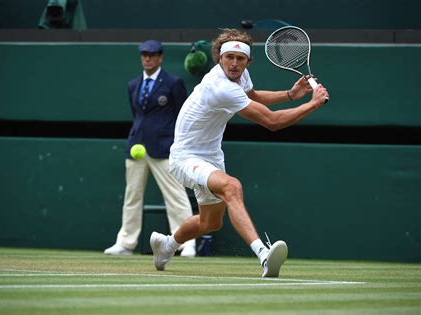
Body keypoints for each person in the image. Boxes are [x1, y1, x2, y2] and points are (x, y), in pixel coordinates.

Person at [149, 29, 329, 277]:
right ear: (219, 58)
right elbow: (272, 122)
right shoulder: (220, 87)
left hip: (211, 156)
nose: (234, 64)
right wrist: (312, 104)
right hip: (185, 157)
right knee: (232, 187)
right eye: (229, 57)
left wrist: (290, 95)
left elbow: (253, 96)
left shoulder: (239, 78)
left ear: (247, 61)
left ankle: (166, 246)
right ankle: (264, 256)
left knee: (211, 222)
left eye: (240, 59)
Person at [104, 40, 196, 257]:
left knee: (176, 195)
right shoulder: (133, 85)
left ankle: (187, 243)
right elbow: (138, 116)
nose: (147, 58)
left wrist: (177, 144)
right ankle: (126, 243)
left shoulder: (173, 83)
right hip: (136, 146)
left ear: (160, 57)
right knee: (132, 196)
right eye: (144, 54)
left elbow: (182, 116)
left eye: (152, 55)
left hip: (164, 148)